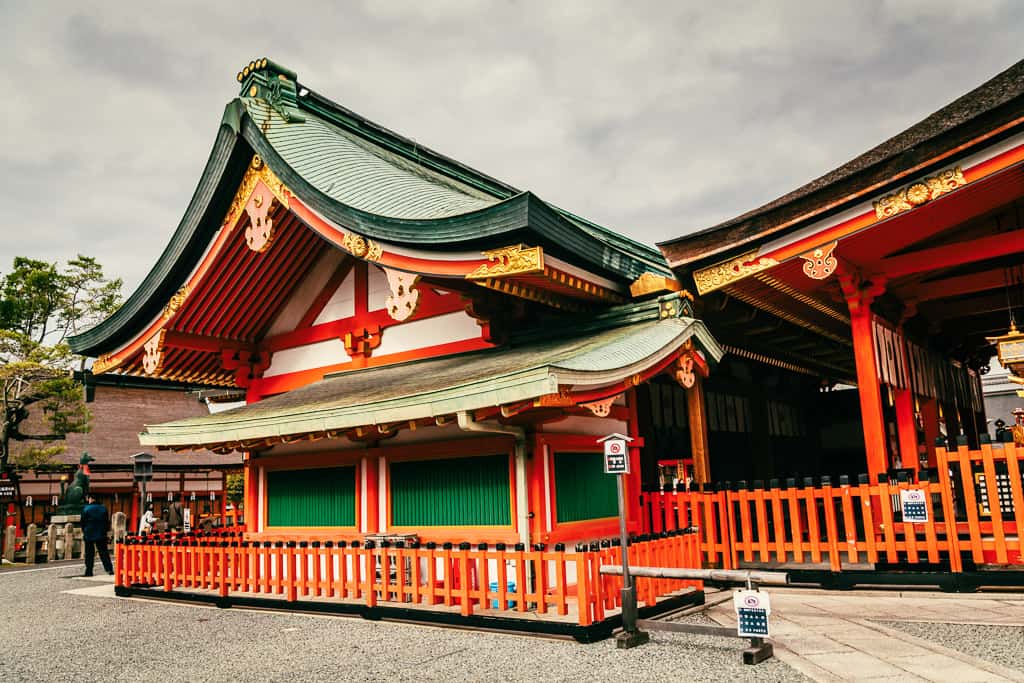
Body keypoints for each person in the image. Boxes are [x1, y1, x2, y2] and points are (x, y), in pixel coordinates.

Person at [80, 494, 114, 576]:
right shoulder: (103, 508)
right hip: (101, 532)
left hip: (89, 532)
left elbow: (82, 522)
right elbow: (106, 522)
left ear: (91, 499)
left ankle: (89, 571)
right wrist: (106, 531)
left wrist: (84, 530)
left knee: (89, 553)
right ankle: (109, 569)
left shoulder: (86, 508)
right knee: (103, 552)